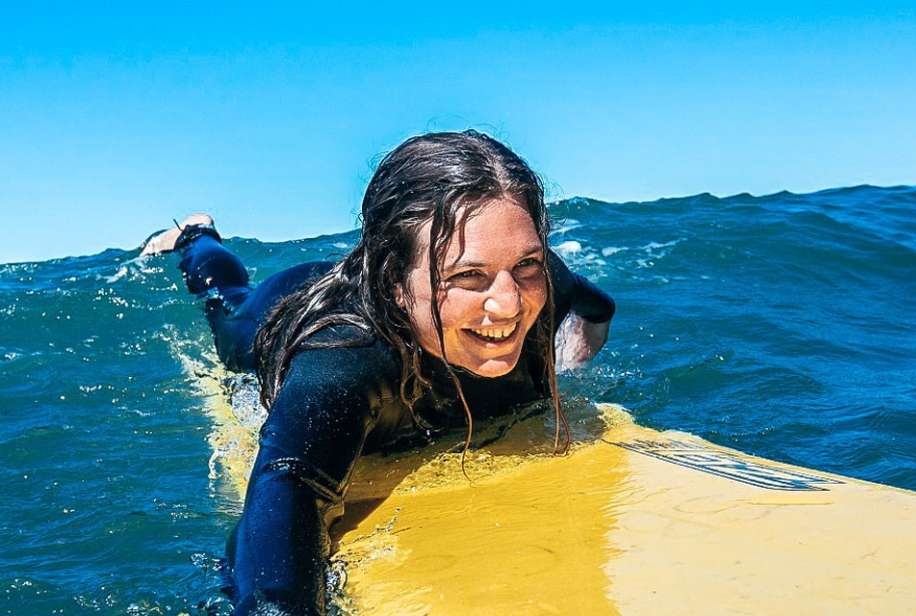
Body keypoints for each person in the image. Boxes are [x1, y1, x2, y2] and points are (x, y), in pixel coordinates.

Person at [141, 131, 615, 615]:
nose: (510, 303)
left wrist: (566, 366)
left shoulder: (543, 282)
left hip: (384, 267)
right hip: (279, 307)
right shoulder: (345, 359)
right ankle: (197, 237)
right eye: (467, 276)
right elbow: (288, 486)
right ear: (394, 283)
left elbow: (598, 308)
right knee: (226, 301)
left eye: (526, 264)